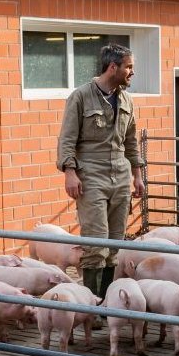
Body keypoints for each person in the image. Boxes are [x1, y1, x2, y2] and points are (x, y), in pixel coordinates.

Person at [57, 43, 146, 296]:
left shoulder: (126, 99)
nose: (132, 72)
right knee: (96, 242)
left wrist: (137, 176)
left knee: (115, 241)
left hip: (119, 175)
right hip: (90, 175)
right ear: (112, 67)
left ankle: (107, 302)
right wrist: (70, 172)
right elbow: (67, 138)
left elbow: (130, 140)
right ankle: (91, 305)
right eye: (128, 67)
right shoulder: (81, 96)